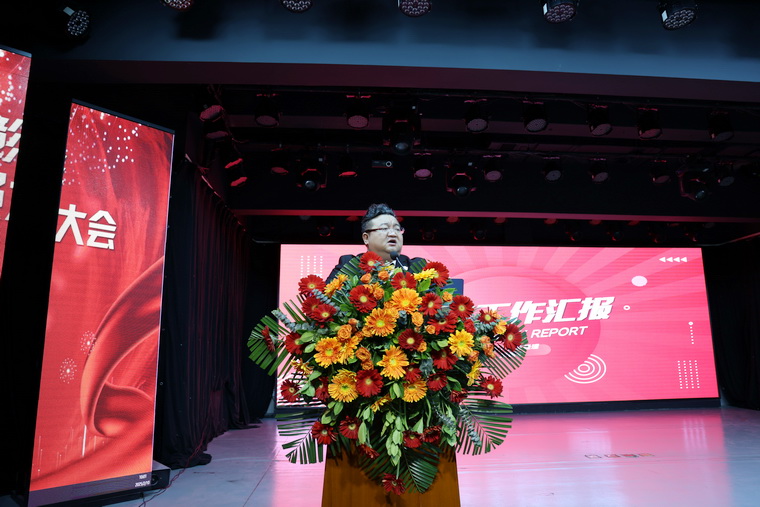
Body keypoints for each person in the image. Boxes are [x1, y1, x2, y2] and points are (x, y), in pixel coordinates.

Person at [326, 203, 424, 281]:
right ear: (366, 238)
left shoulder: (416, 267)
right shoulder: (351, 265)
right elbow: (326, 298)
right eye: (384, 228)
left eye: (397, 229)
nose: (393, 234)